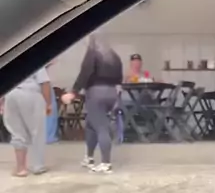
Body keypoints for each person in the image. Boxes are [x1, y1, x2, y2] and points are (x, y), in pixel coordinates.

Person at [62, 33, 123, 174]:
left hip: (96, 93)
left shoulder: (93, 53)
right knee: (91, 124)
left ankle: (106, 163)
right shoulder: (114, 56)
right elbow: (119, 78)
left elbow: (85, 73)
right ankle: (89, 158)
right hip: (112, 93)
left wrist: (74, 92)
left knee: (101, 126)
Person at [1, 67, 52, 177]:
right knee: (37, 131)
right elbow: (44, 82)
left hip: (11, 95)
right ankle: (38, 166)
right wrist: (48, 103)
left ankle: (21, 168)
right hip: (31, 94)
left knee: (17, 132)